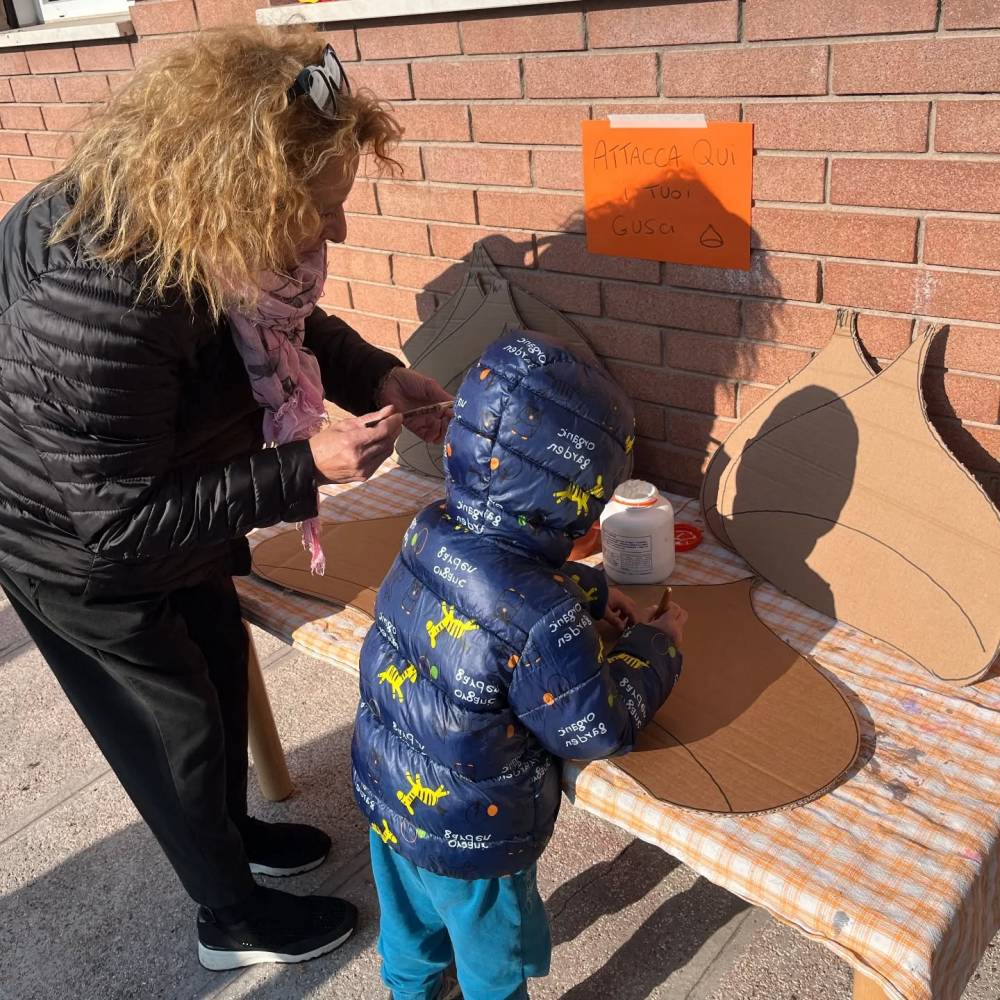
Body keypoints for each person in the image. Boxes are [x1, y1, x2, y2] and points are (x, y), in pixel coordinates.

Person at [0, 28, 450, 971]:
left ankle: (234, 837)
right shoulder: (98, 292)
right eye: (318, 210)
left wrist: (375, 375)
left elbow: (284, 326)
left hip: (163, 496)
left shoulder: (197, 229)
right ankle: (228, 917)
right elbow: (118, 521)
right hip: (73, 545)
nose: (336, 233)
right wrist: (302, 469)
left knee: (217, 661)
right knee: (176, 727)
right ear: (240, 192)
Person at [352, 329, 688, 1000]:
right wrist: (657, 648)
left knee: (410, 929)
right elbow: (594, 728)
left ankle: (408, 992)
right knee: (491, 967)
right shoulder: (542, 618)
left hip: (388, 799)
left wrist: (589, 589)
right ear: (576, 501)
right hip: (475, 838)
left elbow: (495, 578)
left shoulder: (430, 526)